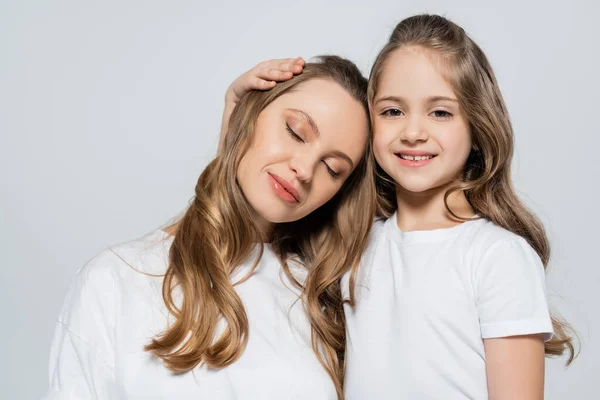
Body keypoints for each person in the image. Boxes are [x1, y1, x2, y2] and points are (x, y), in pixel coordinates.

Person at [222, 14, 576, 400]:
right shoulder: (353, 244)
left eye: (440, 112)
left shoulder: (498, 257)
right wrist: (236, 110)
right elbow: (239, 229)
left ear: (478, 126)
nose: (413, 132)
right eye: (393, 111)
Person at [44, 55, 377, 400]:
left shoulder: (329, 304)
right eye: (295, 132)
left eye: (333, 168)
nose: (305, 169)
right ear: (248, 115)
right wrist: (231, 139)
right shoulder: (116, 279)